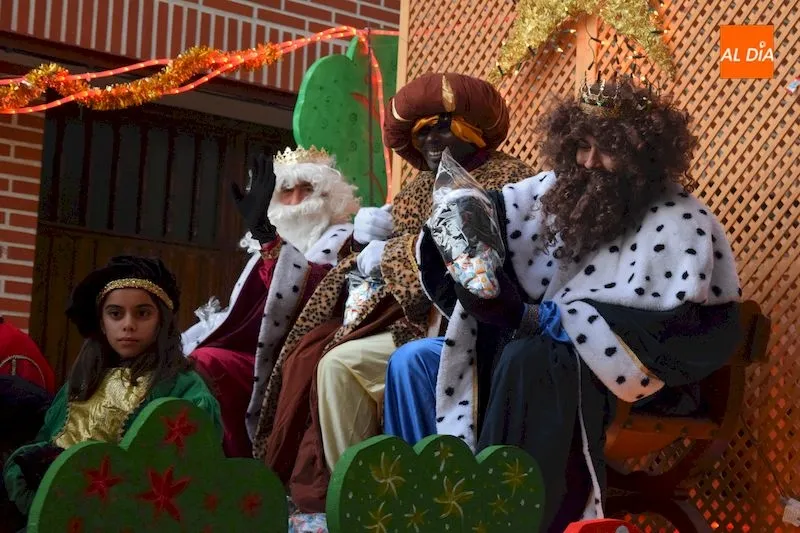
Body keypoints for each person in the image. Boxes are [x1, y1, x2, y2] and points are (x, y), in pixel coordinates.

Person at [382, 77, 743, 531]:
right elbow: (491, 210)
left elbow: (677, 328)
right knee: (414, 362)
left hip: (625, 379)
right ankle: (434, 507)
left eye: (607, 149)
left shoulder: (680, 219)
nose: (589, 162)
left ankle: (506, 515)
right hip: (533, 357)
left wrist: (548, 320)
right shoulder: (557, 190)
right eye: (581, 146)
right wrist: (462, 224)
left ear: (644, 155)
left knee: (532, 358)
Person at [251, 72, 534, 512]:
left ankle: (394, 496)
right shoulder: (416, 188)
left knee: (346, 362)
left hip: (477, 326)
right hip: (412, 319)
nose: (431, 141)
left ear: (471, 129)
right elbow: (376, 262)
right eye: (421, 133)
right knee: (326, 362)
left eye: (441, 127)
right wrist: (362, 244)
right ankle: (356, 496)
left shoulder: (511, 178)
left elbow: (474, 254)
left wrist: (391, 253)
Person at [2, 256, 221, 518]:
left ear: (161, 321)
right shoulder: (83, 381)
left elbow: (188, 473)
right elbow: (47, 438)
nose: (128, 324)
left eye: (142, 313)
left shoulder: (184, 387)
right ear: (102, 324)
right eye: (115, 314)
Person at [183, 146, 360, 457]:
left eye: (307, 189)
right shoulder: (264, 246)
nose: (296, 200)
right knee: (187, 360)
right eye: (286, 191)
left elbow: (324, 294)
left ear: (329, 196)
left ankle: (239, 466)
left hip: (305, 356)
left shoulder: (349, 240)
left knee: (209, 362)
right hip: (258, 352)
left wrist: (268, 239)